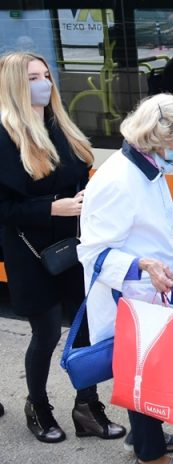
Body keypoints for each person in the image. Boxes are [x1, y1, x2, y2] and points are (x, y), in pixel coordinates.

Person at [0, 52, 126, 444]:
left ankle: (87, 407)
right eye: (34, 77)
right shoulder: (5, 135)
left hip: (72, 243)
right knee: (47, 330)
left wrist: (86, 194)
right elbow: (4, 207)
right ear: (15, 86)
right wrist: (50, 207)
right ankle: (38, 406)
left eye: (46, 75)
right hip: (29, 249)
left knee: (87, 326)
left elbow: (77, 174)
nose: (45, 83)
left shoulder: (59, 123)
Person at [76, 93, 173, 464]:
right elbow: (93, 252)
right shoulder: (118, 179)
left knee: (150, 371)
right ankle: (151, 455)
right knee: (142, 372)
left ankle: (146, 439)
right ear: (161, 134)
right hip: (131, 296)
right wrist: (141, 266)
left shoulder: (148, 165)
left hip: (151, 292)